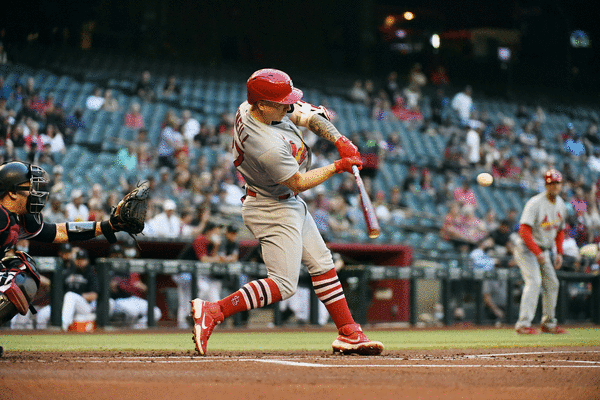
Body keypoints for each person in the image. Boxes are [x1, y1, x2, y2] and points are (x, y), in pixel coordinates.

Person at [190, 68, 383, 356]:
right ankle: (213, 311)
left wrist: (339, 140)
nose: (287, 105)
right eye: (280, 102)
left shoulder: (254, 107)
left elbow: (307, 116)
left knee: (322, 262)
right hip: (270, 206)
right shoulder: (264, 143)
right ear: (262, 105)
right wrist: (337, 166)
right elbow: (297, 182)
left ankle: (348, 332)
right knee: (283, 285)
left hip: (284, 201)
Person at [0, 161, 145, 328]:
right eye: (29, 187)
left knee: (23, 271)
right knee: (15, 277)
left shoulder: (20, 218)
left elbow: (61, 232)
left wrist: (106, 226)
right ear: (12, 193)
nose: (34, 192)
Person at [513, 169, 568, 335]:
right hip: (526, 249)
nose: (555, 186)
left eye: (557, 183)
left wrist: (559, 253)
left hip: (543, 250)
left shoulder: (561, 205)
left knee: (552, 283)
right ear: (546, 185)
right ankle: (523, 324)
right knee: (535, 282)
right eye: (551, 183)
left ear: (561, 184)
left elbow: (559, 231)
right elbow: (524, 230)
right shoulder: (535, 203)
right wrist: (537, 252)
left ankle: (549, 323)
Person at [36, 248, 98, 330]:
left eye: (82, 259)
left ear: (87, 261)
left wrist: (78, 296)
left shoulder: (91, 274)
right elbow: (59, 289)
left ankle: (63, 327)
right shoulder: (68, 272)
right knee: (42, 314)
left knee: (70, 295)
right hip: (66, 305)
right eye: (78, 259)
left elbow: (93, 296)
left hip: (84, 307)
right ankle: (40, 337)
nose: (80, 262)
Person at [107, 243, 161, 329]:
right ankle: (129, 329)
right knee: (132, 311)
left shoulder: (125, 268)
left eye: (119, 254)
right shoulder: (106, 269)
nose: (117, 256)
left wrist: (138, 286)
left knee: (156, 312)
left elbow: (134, 285)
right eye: (114, 254)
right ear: (110, 255)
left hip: (132, 298)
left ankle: (137, 328)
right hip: (117, 300)